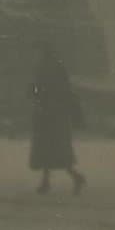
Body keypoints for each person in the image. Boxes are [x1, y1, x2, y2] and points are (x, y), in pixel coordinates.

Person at [29, 43, 86, 195]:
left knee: (48, 150)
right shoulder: (58, 69)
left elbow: (36, 89)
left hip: (47, 115)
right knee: (57, 151)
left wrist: (35, 94)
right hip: (57, 114)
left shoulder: (42, 69)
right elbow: (64, 90)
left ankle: (65, 179)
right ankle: (54, 180)